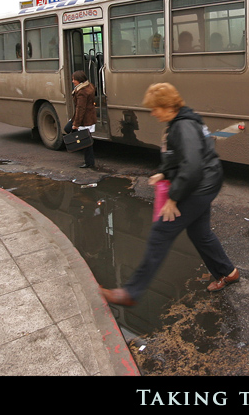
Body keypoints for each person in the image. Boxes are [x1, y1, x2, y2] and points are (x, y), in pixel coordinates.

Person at [101, 83, 239, 307]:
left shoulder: (182, 126)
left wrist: (173, 198)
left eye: (155, 108)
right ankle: (229, 272)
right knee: (200, 233)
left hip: (198, 186)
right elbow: (180, 157)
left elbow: (192, 166)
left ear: (167, 106)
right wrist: (163, 173)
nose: (153, 113)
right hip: (205, 182)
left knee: (160, 234)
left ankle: (131, 293)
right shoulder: (183, 120)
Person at [64, 70, 96, 169]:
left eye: (74, 79)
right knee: (85, 139)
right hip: (89, 117)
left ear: (80, 80)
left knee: (86, 142)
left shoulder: (82, 92)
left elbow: (80, 109)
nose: (73, 81)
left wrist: (76, 124)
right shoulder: (89, 86)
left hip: (85, 120)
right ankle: (89, 161)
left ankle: (89, 162)